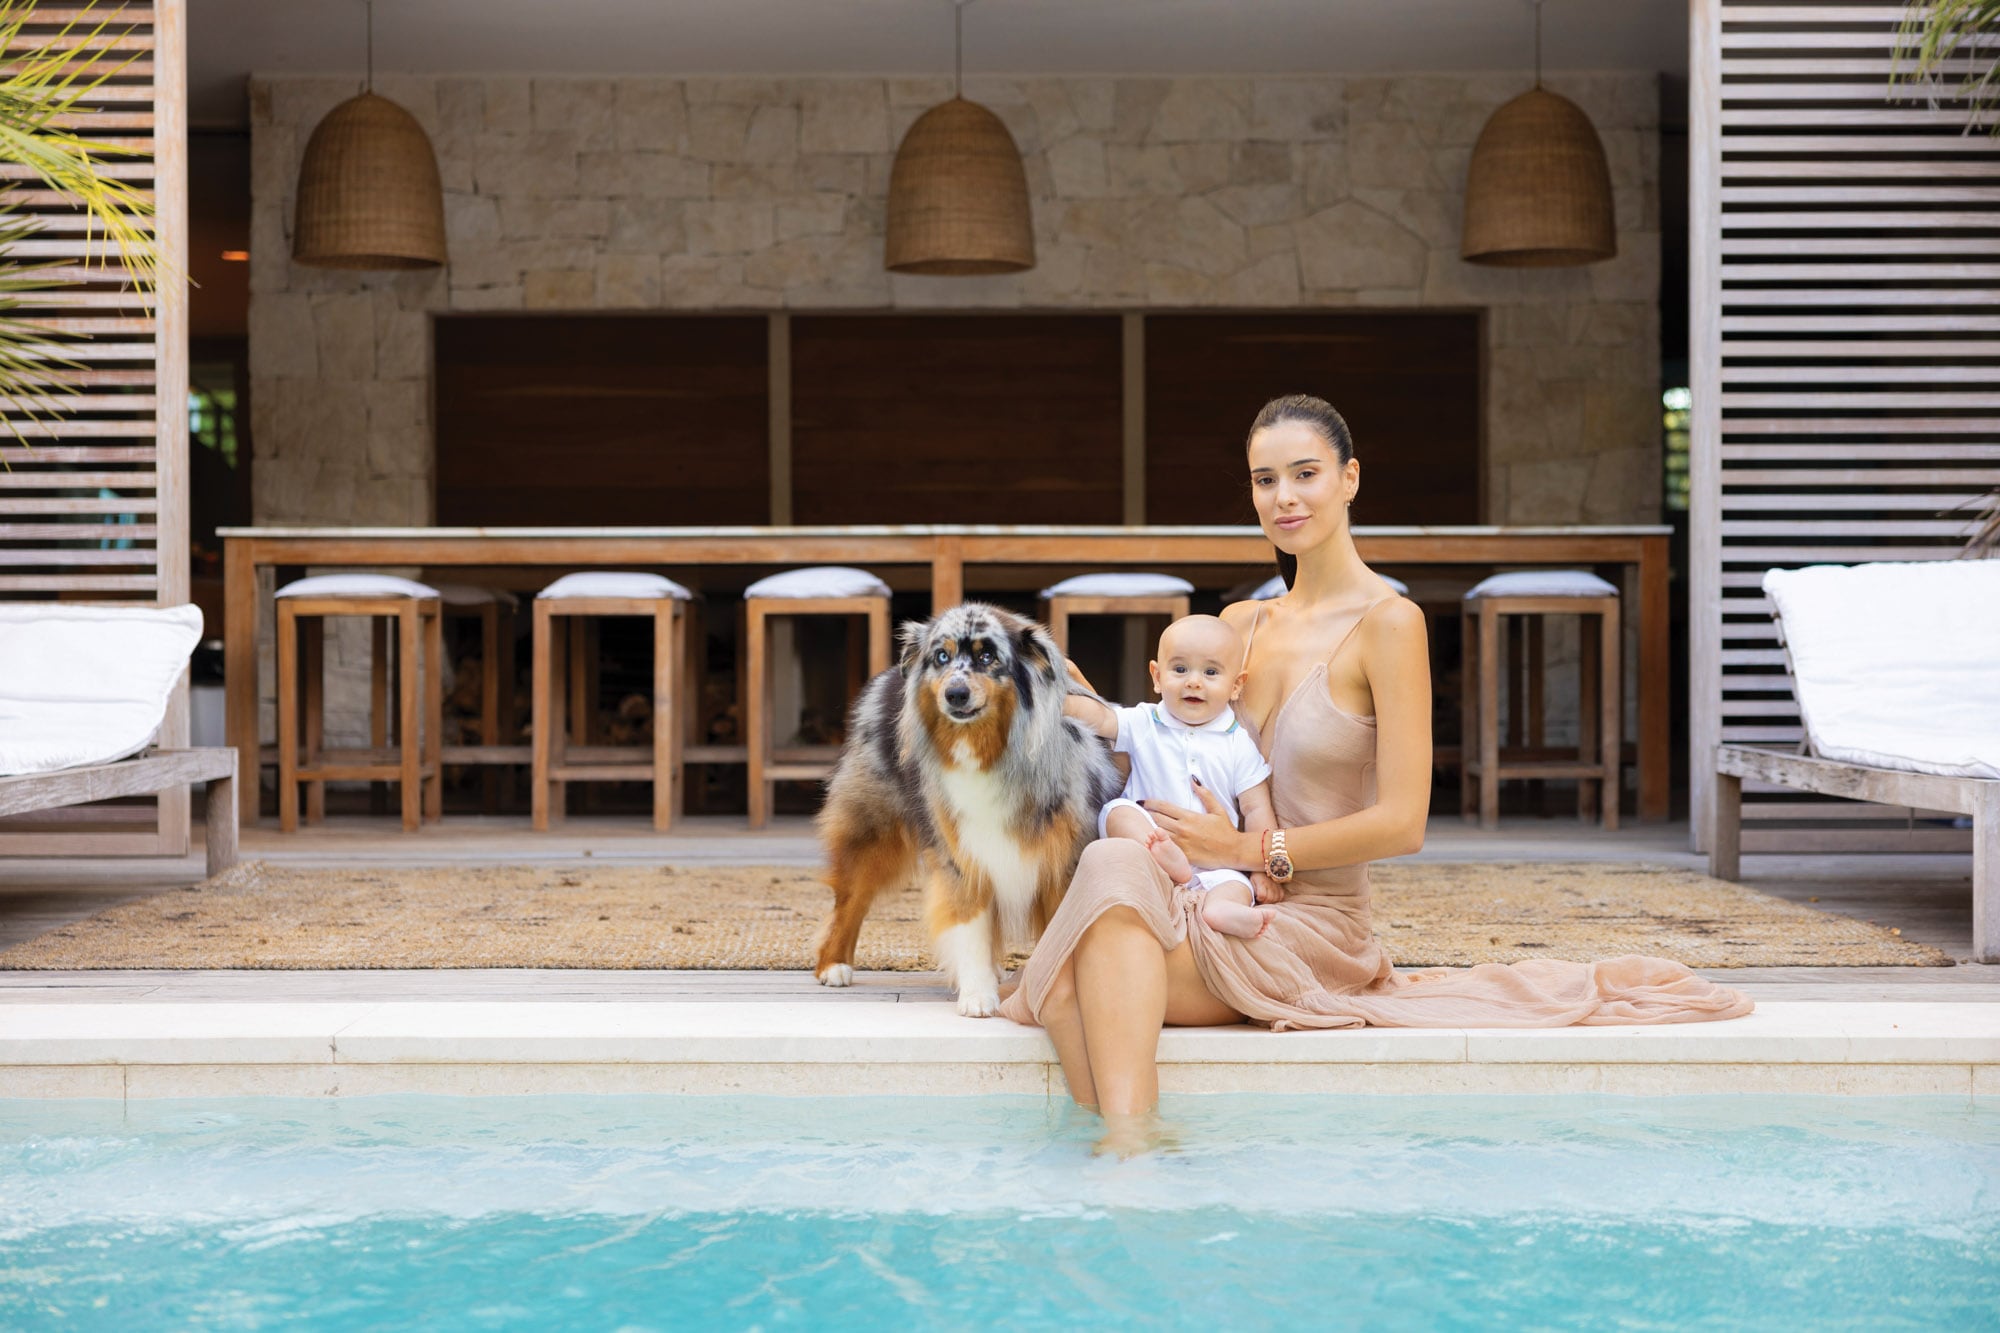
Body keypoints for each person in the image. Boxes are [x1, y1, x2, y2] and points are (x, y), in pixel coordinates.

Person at [1000, 393, 1752, 1155]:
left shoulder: (1390, 625)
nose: (1283, 497)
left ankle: (1125, 1153)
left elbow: (1404, 822)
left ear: (1350, 478)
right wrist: (1091, 710)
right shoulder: (1236, 626)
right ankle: (1132, 1146)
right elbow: (1168, 757)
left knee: (1075, 974)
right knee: (1111, 862)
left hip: (1304, 921)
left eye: (1305, 474)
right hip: (1190, 888)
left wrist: (1248, 851)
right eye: (1265, 480)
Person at [1065, 615, 1277, 940]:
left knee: (1236, 886)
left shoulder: (1238, 743)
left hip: (1217, 864)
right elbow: (1102, 718)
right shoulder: (1145, 722)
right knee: (1118, 812)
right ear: (1157, 676)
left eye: (1210, 672)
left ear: (1236, 685)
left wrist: (1261, 868)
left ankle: (1222, 911)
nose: (1194, 682)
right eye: (1180, 670)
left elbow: (1257, 809)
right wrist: (1060, 701)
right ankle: (1161, 860)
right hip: (1152, 847)